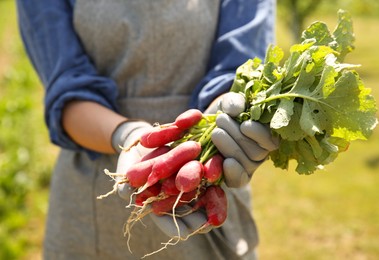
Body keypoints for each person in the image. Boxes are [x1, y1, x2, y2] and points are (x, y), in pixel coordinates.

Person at [16, 0, 277, 259]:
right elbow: (67, 87)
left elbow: (240, 70)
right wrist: (128, 136)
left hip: (206, 180)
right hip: (91, 200)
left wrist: (225, 113)